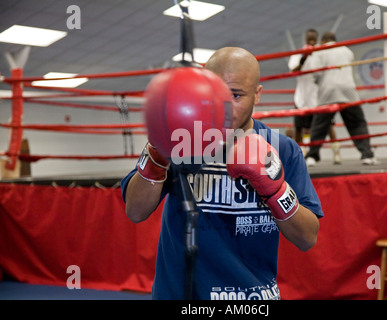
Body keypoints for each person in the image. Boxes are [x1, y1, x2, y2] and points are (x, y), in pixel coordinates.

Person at [121, 47, 323, 300]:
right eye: (216, 95)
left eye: (236, 95)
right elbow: (135, 211)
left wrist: (275, 188)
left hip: (253, 299)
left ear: (257, 95)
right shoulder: (181, 139)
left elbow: (307, 238)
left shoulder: (281, 148)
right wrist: (157, 156)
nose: (225, 108)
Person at [305, 32, 378, 167]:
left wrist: (318, 81)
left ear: (324, 40)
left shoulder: (319, 51)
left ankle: (312, 157)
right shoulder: (346, 50)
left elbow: (316, 73)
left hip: (328, 90)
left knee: (319, 126)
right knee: (357, 123)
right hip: (348, 89)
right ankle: (367, 155)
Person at [288, 29, 341, 164]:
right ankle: (298, 156)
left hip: (319, 96)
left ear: (317, 40)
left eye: (313, 40)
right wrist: (304, 58)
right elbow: (294, 70)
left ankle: (336, 152)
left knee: (328, 126)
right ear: (305, 39)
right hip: (302, 97)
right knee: (298, 128)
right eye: (309, 40)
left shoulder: (322, 53)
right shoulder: (297, 54)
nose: (311, 42)